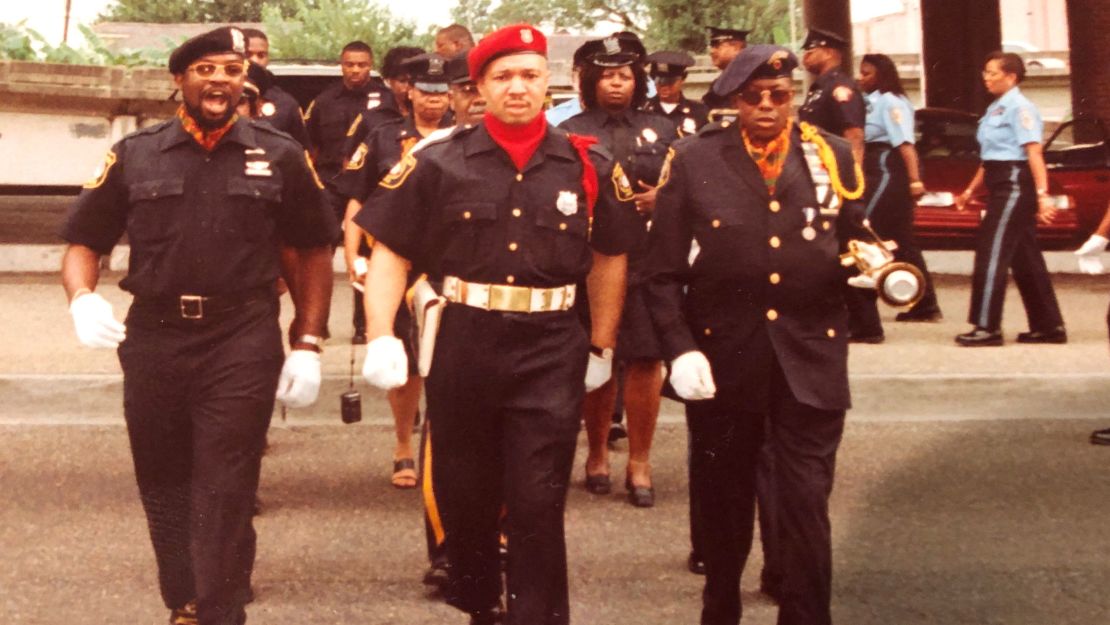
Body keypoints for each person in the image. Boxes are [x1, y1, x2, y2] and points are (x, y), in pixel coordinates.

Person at [355, 24, 638, 624]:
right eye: (503, 76)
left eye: (530, 75)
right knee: (466, 498)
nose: (518, 88)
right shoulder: (436, 161)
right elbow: (391, 250)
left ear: (548, 83)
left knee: (539, 500)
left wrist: (603, 346)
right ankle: (482, 606)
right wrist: (380, 332)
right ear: (479, 85)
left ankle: (538, 615)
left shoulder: (586, 163)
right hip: (465, 342)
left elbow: (611, 257)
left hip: (549, 346)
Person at [59, 26, 336, 625]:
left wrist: (308, 342)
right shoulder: (138, 152)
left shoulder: (281, 153)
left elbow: (313, 251)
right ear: (180, 79)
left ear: (245, 82)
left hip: (240, 334)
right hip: (155, 336)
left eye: (232, 70)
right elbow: (85, 239)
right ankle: (187, 599)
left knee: (224, 481)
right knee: (163, 481)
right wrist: (82, 297)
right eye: (207, 68)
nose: (220, 80)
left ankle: (218, 609)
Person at [644, 44, 866, 625]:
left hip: (810, 354)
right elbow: (661, 272)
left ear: (793, 96)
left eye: (780, 96)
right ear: (733, 100)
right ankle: (721, 605)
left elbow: (856, 237)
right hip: (723, 354)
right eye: (753, 97)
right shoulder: (693, 158)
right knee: (724, 500)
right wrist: (680, 347)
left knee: (805, 501)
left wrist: (873, 267)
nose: (767, 107)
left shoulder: (831, 154)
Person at [559, 32, 677, 507]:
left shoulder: (664, 130)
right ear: (590, 80)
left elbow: (690, 189)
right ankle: (596, 453)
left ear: (637, 79)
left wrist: (662, 201)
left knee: (647, 361)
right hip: (591, 262)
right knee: (598, 357)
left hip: (648, 260)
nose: (616, 84)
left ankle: (641, 461)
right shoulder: (568, 130)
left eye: (625, 75)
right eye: (606, 75)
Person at [337, 53, 453, 489]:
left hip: (449, 260)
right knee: (403, 360)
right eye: (426, 92)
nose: (434, 101)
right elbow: (356, 201)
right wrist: (353, 257)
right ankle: (404, 444)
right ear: (409, 91)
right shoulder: (384, 137)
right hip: (395, 259)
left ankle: (443, 446)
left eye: (443, 93)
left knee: (446, 359)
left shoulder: (464, 137)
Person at [953, 51, 1065, 347]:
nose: (986, 78)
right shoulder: (995, 109)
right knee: (1024, 254)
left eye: (992, 73)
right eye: (985, 72)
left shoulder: (1020, 108)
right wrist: (969, 191)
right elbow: (989, 158)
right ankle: (1049, 326)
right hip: (998, 178)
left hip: (1015, 183)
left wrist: (1043, 196)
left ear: (1011, 77)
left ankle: (986, 326)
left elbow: (1033, 153)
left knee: (992, 250)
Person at [304, 40, 397, 343]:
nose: (356, 70)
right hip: (331, 184)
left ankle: (363, 325)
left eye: (362, 64)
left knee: (365, 256)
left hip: (367, 188)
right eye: (349, 64)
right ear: (340, 64)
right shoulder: (324, 100)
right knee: (319, 253)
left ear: (371, 65)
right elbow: (311, 147)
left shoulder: (386, 100)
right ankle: (317, 323)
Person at [857, 53, 943, 323]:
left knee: (864, 229)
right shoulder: (872, 102)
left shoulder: (890, 102)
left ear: (881, 75)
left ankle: (862, 308)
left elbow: (905, 145)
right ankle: (925, 304)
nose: (861, 78)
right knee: (902, 240)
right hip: (877, 164)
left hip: (886, 167)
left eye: (867, 73)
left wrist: (915, 180)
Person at [241, 28, 309, 147]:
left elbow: (301, 150)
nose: (255, 60)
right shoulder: (219, 97)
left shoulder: (286, 103)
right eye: (247, 54)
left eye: (261, 55)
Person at [643, 50, 710, 136]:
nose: (664, 86)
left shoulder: (699, 112)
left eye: (670, 82)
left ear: (682, 79)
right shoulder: (643, 110)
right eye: (659, 81)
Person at [704, 27, 749, 113]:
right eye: (712, 46)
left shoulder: (752, 79)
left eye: (717, 46)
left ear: (736, 48)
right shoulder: (718, 83)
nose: (712, 51)